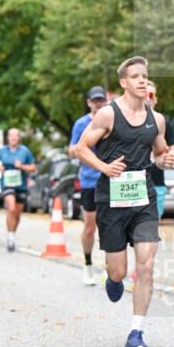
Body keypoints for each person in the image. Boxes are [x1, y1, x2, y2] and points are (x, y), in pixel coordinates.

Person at [75, 56, 174, 347]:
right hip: (112, 198)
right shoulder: (107, 114)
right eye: (136, 77)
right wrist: (104, 168)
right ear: (123, 83)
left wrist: (164, 159)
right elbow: (81, 148)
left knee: (146, 264)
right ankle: (112, 277)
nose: (142, 81)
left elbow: (159, 153)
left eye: (145, 76)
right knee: (118, 271)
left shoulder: (156, 119)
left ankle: (136, 331)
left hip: (143, 197)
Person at [69, 86, 109, 285]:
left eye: (101, 100)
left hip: (110, 179)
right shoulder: (81, 123)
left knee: (109, 226)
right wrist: (81, 149)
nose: (98, 103)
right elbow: (72, 150)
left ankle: (108, 268)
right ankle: (87, 264)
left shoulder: (113, 119)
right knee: (90, 228)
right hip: (90, 181)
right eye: (95, 100)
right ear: (89, 102)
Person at [0, 128, 36, 253]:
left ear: (19, 138)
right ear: (8, 138)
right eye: (11, 136)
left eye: (16, 136)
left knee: (17, 214)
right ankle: (10, 236)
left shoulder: (25, 151)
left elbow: (33, 167)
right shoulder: (2, 151)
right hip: (7, 184)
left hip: (21, 185)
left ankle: (12, 233)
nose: (13, 138)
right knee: (11, 208)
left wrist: (22, 166)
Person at [145, 80, 174, 219]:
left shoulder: (162, 122)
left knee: (150, 230)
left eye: (151, 95)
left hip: (156, 184)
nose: (147, 98)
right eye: (143, 94)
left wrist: (170, 156)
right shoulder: (122, 119)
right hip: (130, 184)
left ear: (155, 99)